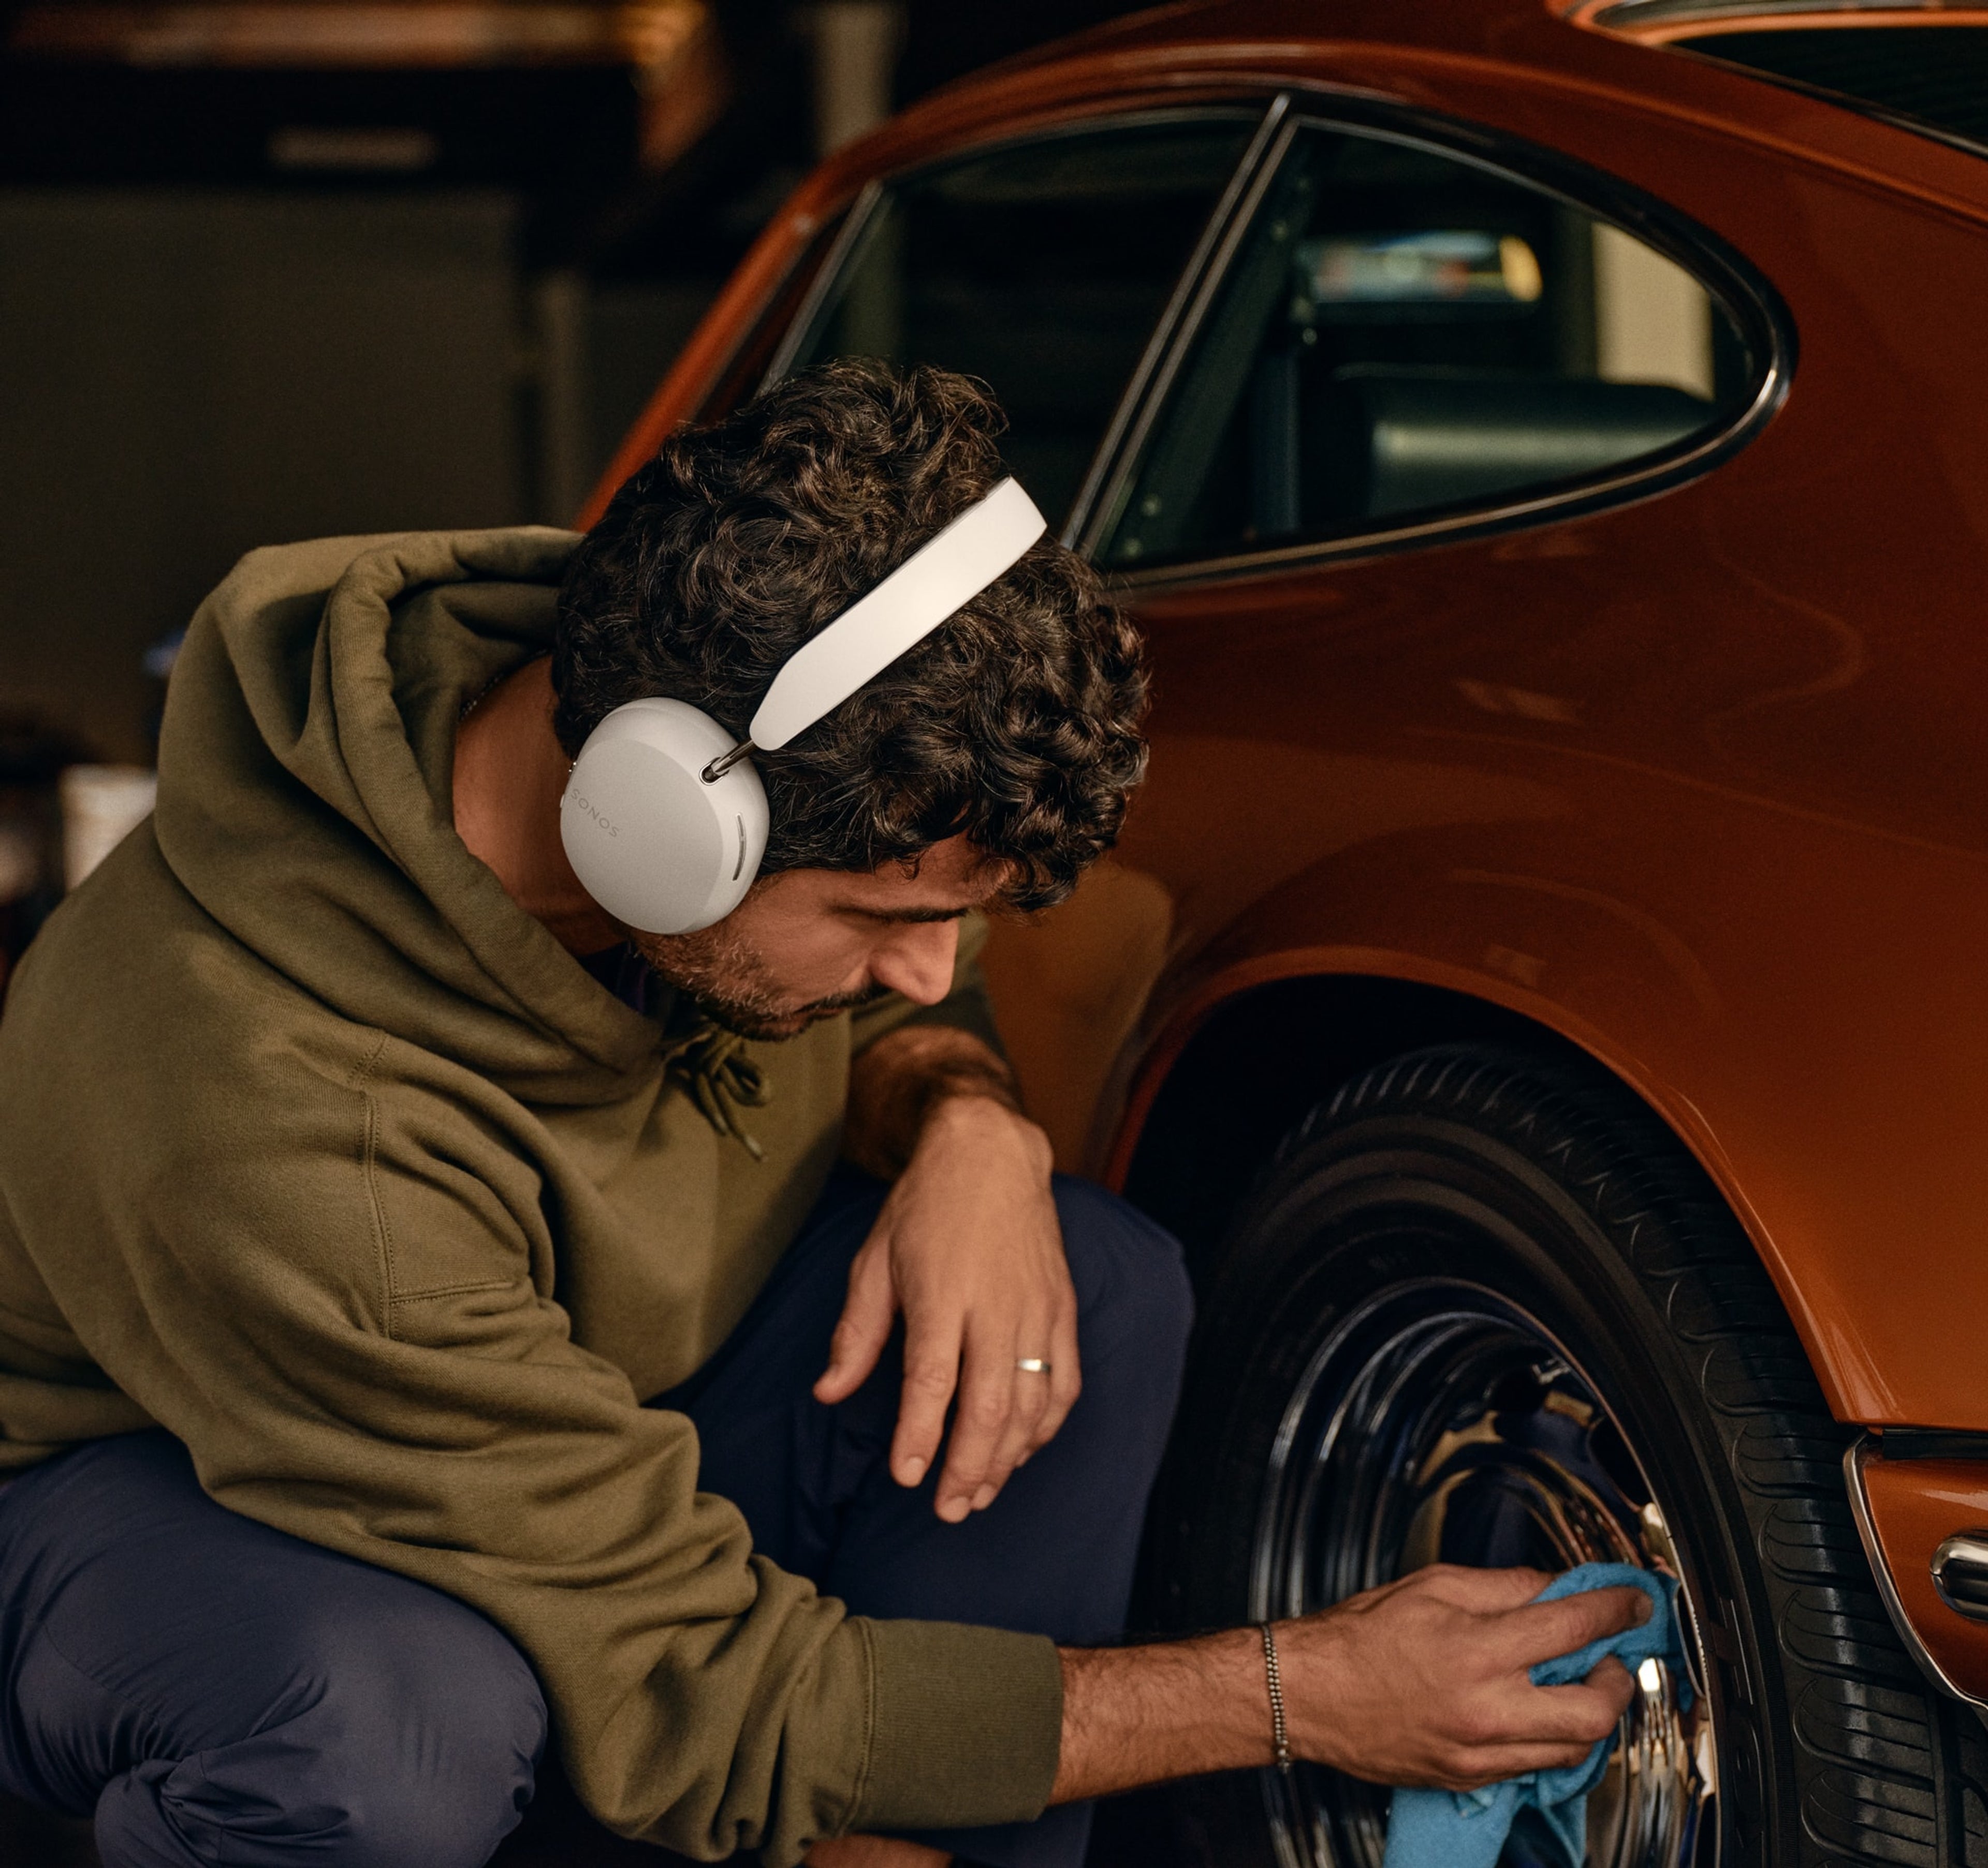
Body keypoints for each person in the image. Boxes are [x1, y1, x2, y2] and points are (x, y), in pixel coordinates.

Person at [0, 359, 1640, 1868]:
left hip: (558, 1401)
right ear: (659, 825)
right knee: (394, 1730)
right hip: (141, 1504)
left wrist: (967, 1118)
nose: (930, 975)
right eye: (879, 923)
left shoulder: (738, 721)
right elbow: (699, 1694)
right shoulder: (280, 1111)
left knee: (1085, 1284)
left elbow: (922, 1007)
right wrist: (1296, 1692)